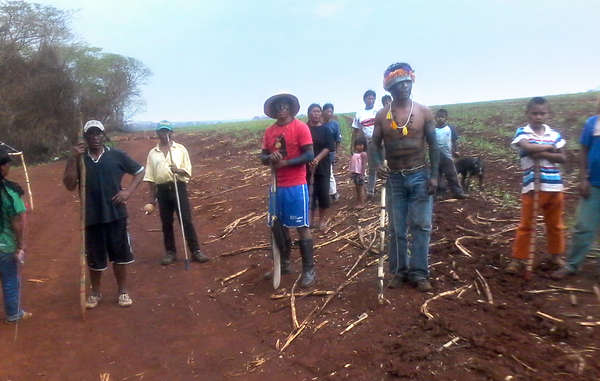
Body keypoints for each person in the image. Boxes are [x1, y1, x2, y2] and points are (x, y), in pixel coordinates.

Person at [63, 120, 145, 308]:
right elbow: (69, 185)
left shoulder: (116, 155)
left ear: (103, 135)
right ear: (85, 138)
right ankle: (95, 293)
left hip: (116, 215)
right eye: (91, 134)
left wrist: (128, 192)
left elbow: (140, 171)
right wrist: (72, 158)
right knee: (95, 258)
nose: (95, 137)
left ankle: (123, 292)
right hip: (91, 217)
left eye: (98, 133)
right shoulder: (80, 159)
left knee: (120, 256)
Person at [372, 62, 439, 292]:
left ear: (412, 83)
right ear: (389, 89)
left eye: (407, 83)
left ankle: (420, 273)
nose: (404, 87)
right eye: (399, 84)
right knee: (397, 228)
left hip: (420, 175)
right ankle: (400, 271)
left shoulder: (423, 112)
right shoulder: (382, 116)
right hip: (395, 179)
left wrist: (434, 176)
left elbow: (434, 145)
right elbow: (374, 145)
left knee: (421, 225)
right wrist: (379, 164)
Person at [260, 93, 316, 288]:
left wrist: (286, 163)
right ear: (274, 110)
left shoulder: (300, 128)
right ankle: (284, 263)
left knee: (301, 226)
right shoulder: (269, 132)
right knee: (278, 226)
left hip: (296, 184)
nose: (281, 109)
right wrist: (270, 158)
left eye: (285, 105)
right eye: (278, 106)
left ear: (291, 108)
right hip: (276, 186)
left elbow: (309, 154)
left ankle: (309, 268)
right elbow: (262, 157)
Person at [505, 97, 566, 275]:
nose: (538, 117)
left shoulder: (555, 134)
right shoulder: (522, 132)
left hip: (554, 187)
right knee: (526, 225)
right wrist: (549, 149)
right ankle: (518, 259)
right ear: (528, 114)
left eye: (542, 113)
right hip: (532, 187)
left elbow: (563, 158)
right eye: (534, 113)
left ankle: (555, 256)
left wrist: (541, 151)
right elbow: (527, 147)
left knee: (555, 224)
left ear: (547, 114)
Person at [143, 121, 209, 265]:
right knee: (166, 222)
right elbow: (150, 177)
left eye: (167, 131)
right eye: (161, 131)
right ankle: (170, 252)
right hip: (162, 190)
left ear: (171, 133)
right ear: (157, 133)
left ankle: (195, 250)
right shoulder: (153, 153)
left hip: (178, 186)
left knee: (185, 220)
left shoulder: (180, 149)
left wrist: (177, 170)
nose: (164, 134)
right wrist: (151, 199)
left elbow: (188, 171)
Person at [552, 101, 600, 280]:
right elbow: (584, 151)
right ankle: (572, 265)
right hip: (594, 184)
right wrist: (583, 178)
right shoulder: (593, 123)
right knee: (583, 227)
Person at [0, 149, 31, 322]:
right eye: (7, 164)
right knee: (10, 279)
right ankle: (13, 313)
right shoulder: (10, 192)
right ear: (3, 167)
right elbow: (18, 221)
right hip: (5, 246)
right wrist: (21, 246)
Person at [306, 104, 335, 230]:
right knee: (310, 194)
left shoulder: (325, 130)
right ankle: (311, 220)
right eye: (314, 111)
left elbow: (329, 147)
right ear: (309, 113)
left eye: (318, 111)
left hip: (322, 166)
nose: (316, 114)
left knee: (323, 193)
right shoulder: (304, 129)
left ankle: (322, 221)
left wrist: (317, 159)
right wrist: (308, 160)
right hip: (306, 167)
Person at [352, 89, 381, 200]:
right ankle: (368, 191)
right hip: (367, 144)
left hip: (380, 142)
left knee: (381, 165)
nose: (371, 100)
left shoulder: (379, 111)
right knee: (366, 168)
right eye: (369, 98)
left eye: (373, 98)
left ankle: (378, 190)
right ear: (364, 99)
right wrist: (353, 146)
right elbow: (355, 131)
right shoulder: (360, 113)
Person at [435, 109, 465, 199]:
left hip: (447, 156)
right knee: (438, 175)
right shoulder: (433, 129)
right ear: (435, 118)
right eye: (438, 117)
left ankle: (457, 192)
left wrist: (456, 150)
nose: (440, 119)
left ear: (446, 118)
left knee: (452, 174)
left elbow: (454, 141)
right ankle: (440, 193)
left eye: (442, 117)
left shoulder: (450, 128)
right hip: (435, 156)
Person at [322, 103, 341, 202]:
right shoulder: (319, 123)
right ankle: (325, 193)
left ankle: (333, 193)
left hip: (330, 152)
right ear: (323, 112)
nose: (329, 113)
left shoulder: (335, 124)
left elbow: (338, 139)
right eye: (327, 111)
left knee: (329, 172)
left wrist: (336, 153)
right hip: (319, 152)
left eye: (331, 111)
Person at [349, 137, 368, 209]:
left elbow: (364, 165)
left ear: (364, 145)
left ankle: (362, 202)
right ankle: (359, 200)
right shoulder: (355, 153)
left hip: (359, 174)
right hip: (355, 173)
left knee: (360, 188)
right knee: (357, 187)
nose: (359, 146)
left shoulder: (363, 154)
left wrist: (362, 174)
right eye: (357, 145)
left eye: (361, 145)